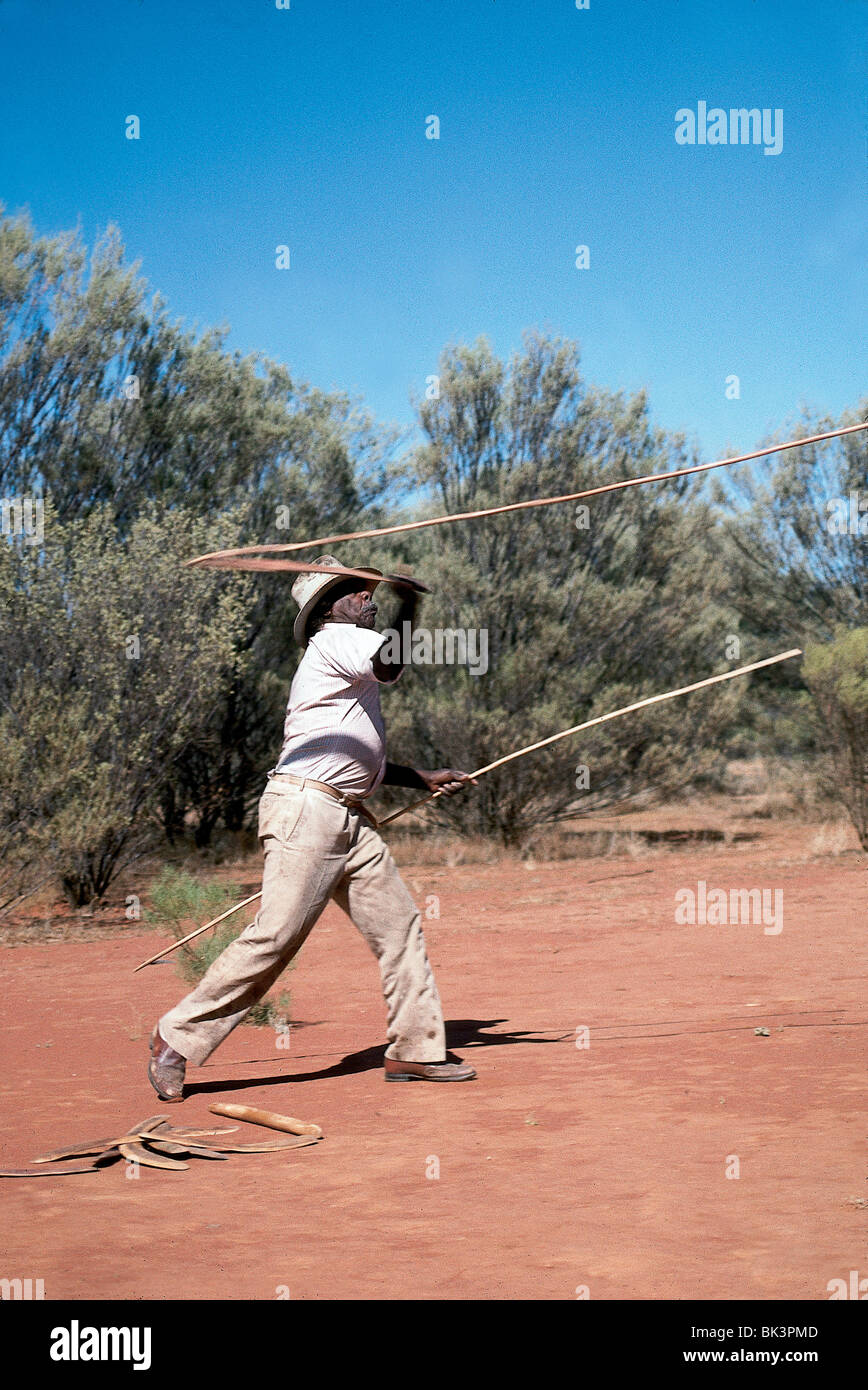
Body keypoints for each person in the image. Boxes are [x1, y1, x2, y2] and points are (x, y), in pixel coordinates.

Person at [148, 555, 477, 1101]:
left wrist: (419, 778)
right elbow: (394, 665)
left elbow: (347, 748)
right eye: (356, 591)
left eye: (370, 592)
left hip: (346, 815)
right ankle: (174, 1039)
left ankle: (414, 1053)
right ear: (329, 608)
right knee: (275, 936)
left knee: (399, 928)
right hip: (310, 813)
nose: (368, 598)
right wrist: (410, 604)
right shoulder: (336, 640)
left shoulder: (344, 652)